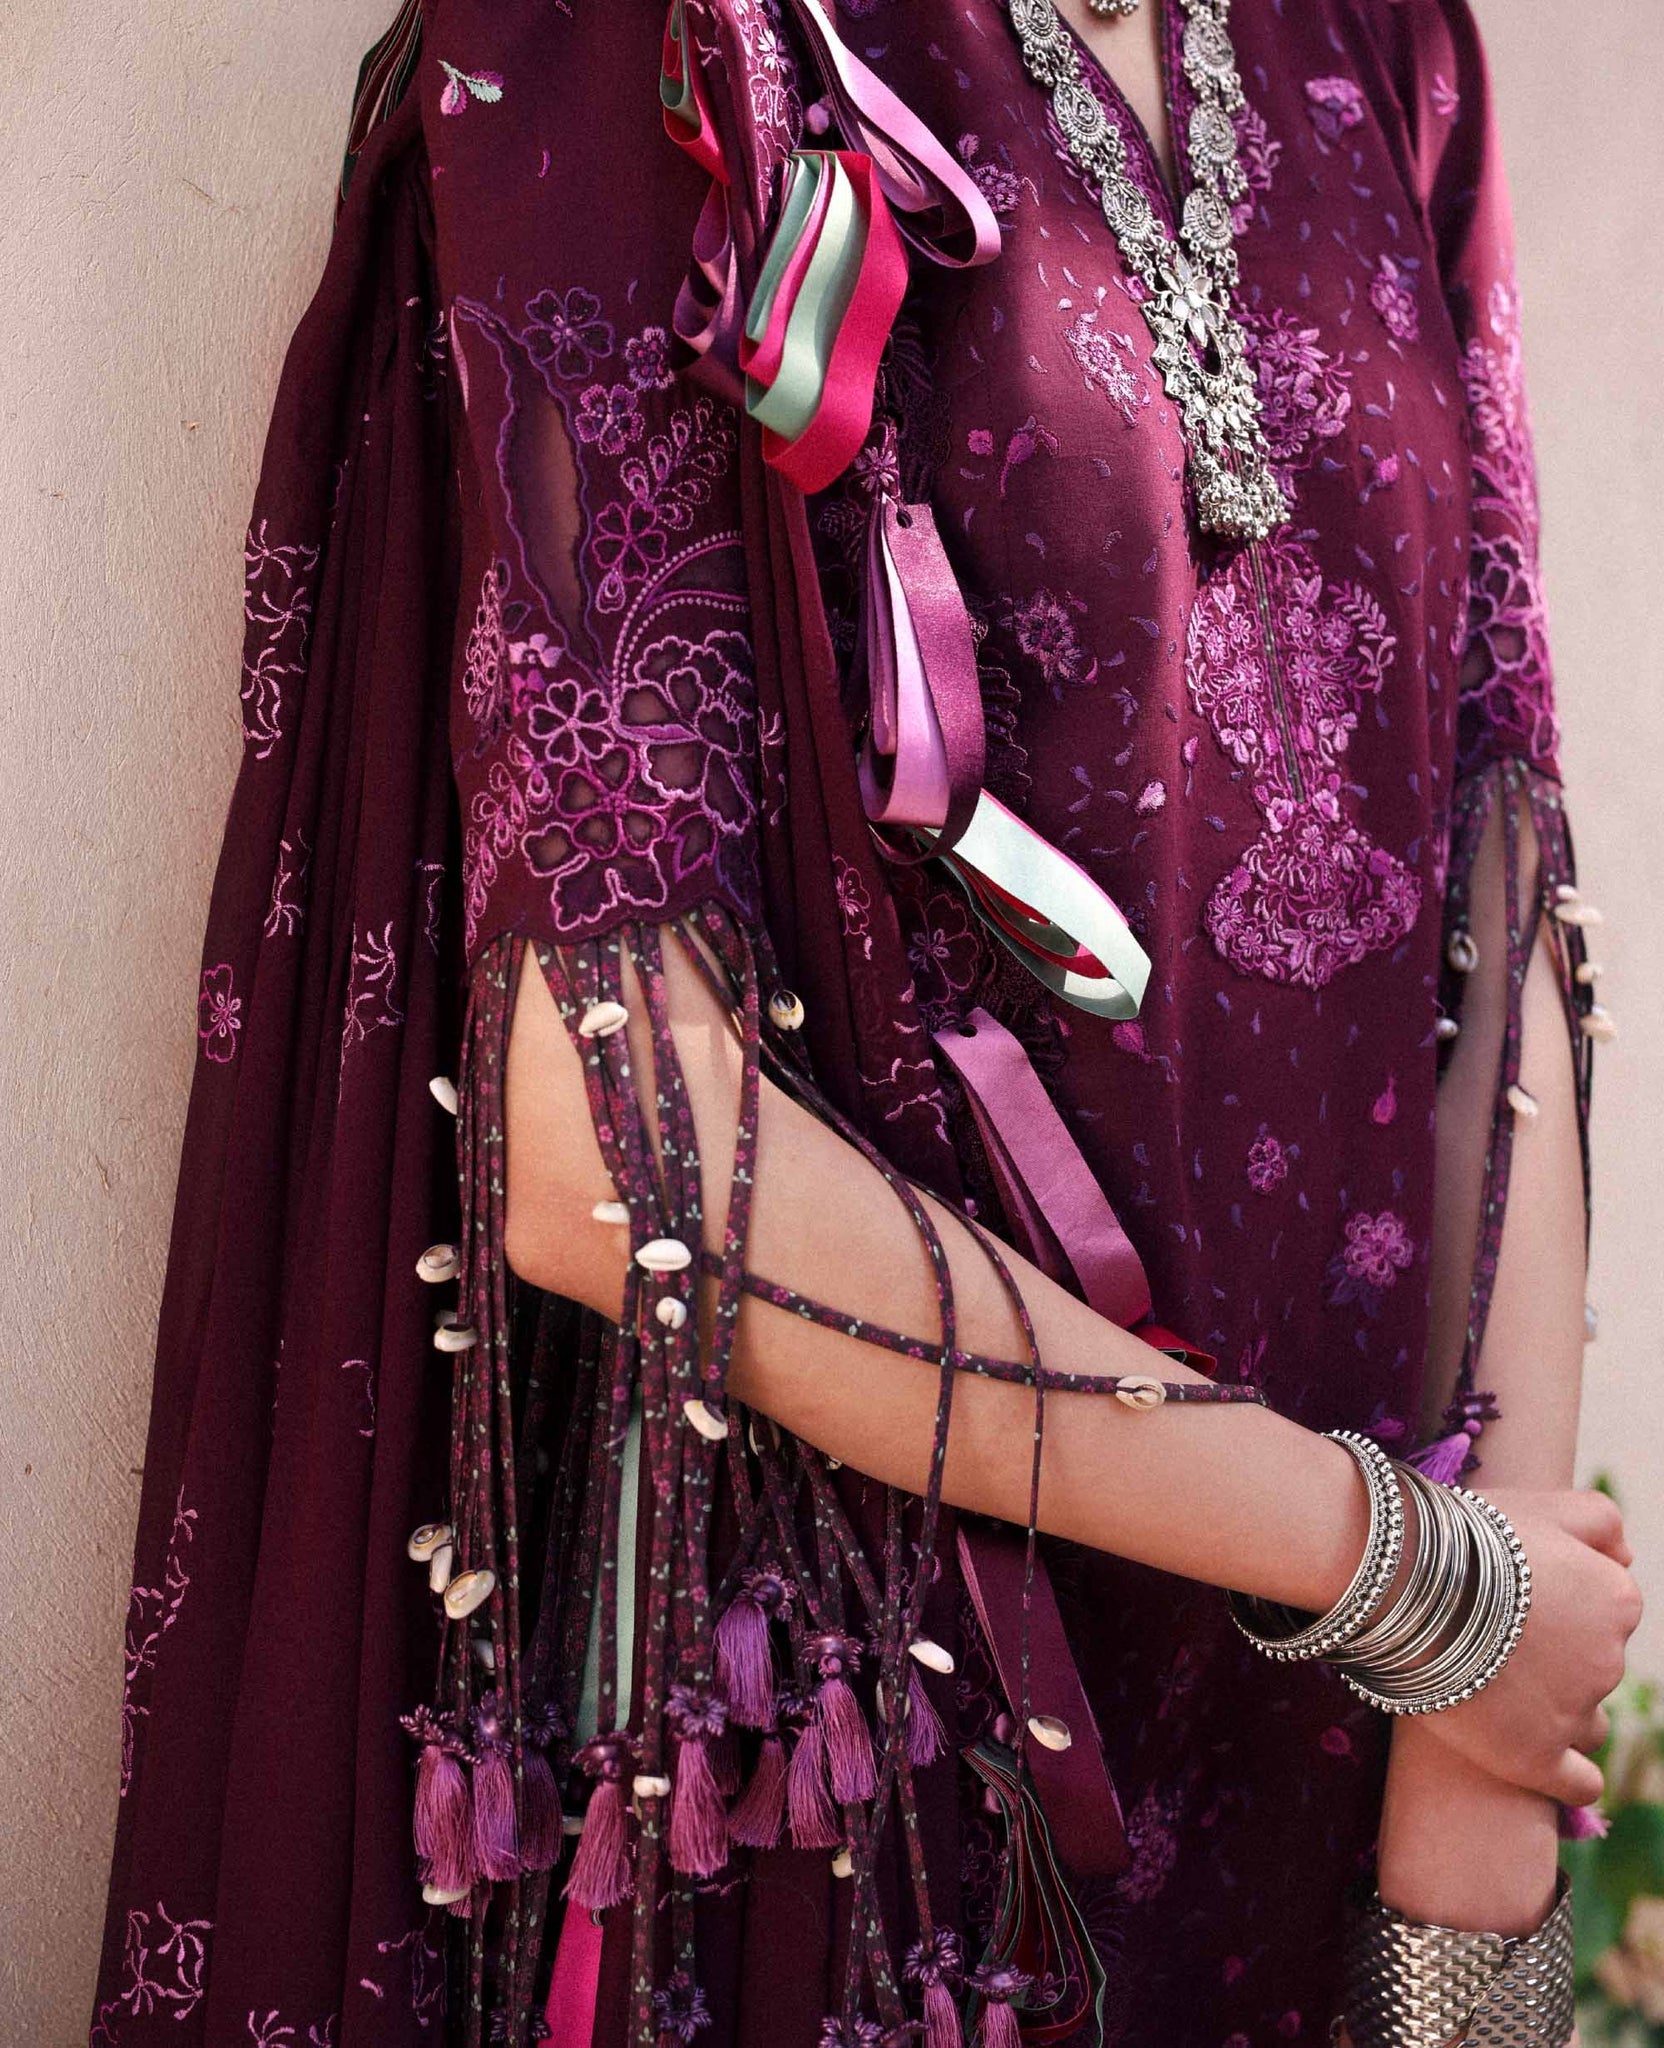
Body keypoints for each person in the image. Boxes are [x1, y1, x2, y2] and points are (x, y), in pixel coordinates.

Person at [94, 0, 1640, 2044]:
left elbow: (1496, 877)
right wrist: (1424, 1580)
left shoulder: (1387, 49)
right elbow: (617, 1142)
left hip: (1350, 1725)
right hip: (883, 1753)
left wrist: (1476, 1725)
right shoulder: (649, 46)